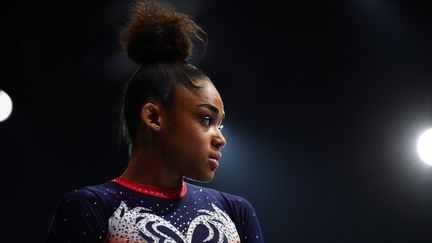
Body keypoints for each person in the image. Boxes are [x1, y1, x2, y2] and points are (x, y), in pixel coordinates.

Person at [46, 1, 264, 242]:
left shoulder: (235, 211)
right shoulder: (92, 207)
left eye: (219, 125)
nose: (221, 139)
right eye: (205, 119)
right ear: (153, 117)